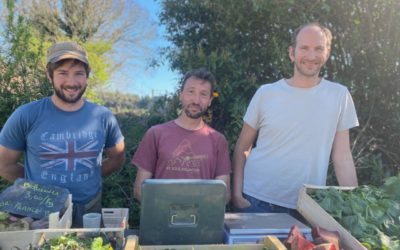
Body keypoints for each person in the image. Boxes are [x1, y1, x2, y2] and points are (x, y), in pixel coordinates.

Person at [232, 22, 359, 216]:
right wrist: (236, 194)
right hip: (256, 200)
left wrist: (356, 207)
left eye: (318, 48)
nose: (311, 56)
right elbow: (242, 147)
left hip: (307, 207)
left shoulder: (339, 95)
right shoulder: (266, 93)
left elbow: (342, 156)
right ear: (292, 53)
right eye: (304, 48)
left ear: (327, 52)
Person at [0, 41, 125, 227]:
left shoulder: (103, 116)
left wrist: (87, 176)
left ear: (87, 76)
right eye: (62, 73)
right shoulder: (26, 115)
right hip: (39, 214)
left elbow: (117, 159)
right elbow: (4, 164)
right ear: (49, 75)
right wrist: (36, 185)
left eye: (79, 73)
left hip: (89, 210)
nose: (72, 82)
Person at [132, 68, 231, 202]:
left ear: (210, 100)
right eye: (191, 92)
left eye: (203, 94)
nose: (196, 100)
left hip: (201, 220)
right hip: (161, 219)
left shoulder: (218, 140)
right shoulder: (155, 134)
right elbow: (139, 190)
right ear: (181, 95)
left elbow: (223, 195)